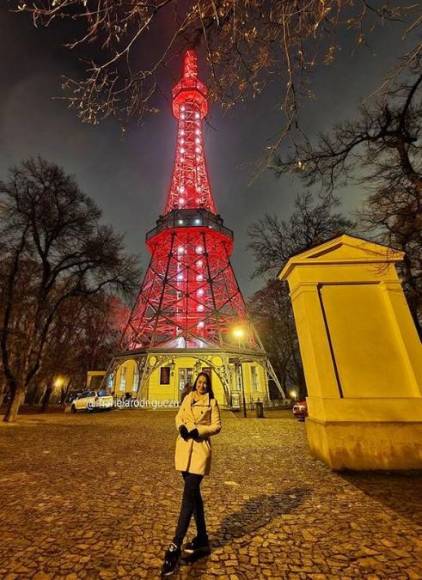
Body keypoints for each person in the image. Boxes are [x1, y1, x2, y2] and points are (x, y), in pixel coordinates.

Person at [161, 372, 222, 577]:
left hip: (199, 452)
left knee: (188, 498)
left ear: (208, 385)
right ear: (195, 383)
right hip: (183, 450)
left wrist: (199, 430)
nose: (202, 385)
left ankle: (175, 546)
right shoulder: (188, 398)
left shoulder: (212, 402)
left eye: (205, 383)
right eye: (199, 382)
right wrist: (181, 428)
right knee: (194, 496)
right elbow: (179, 416)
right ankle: (203, 538)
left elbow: (217, 426)